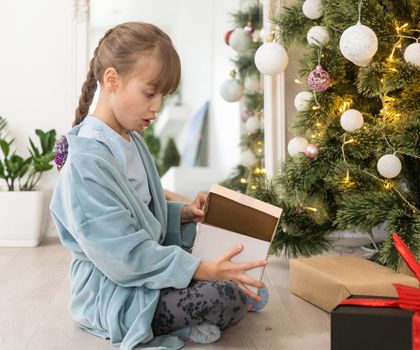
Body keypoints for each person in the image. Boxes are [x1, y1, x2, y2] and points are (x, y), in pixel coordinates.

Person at [50, 22, 268, 350]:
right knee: (227, 294)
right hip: (114, 289)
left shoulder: (131, 140)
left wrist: (184, 214)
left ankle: (207, 298)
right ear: (112, 80)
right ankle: (180, 321)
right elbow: (123, 254)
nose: (157, 107)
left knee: (244, 276)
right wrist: (204, 270)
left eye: (163, 96)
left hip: (143, 267)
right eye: (150, 93)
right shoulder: (85, 164)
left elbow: (139, 212)